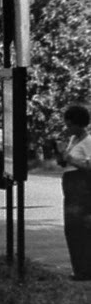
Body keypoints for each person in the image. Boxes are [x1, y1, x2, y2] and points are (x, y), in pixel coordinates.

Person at [55, 104, 91, 280]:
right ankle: (79, 268)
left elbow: (88, 167)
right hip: (70, 184)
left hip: (81, 186)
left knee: (78, 228)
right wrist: (61, 157)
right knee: (72, 228)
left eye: (70, 125)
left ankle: (84, 270)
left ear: (79, 124)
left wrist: (70, 159)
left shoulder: (88, 141)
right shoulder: (73, 140)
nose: (67, 129)